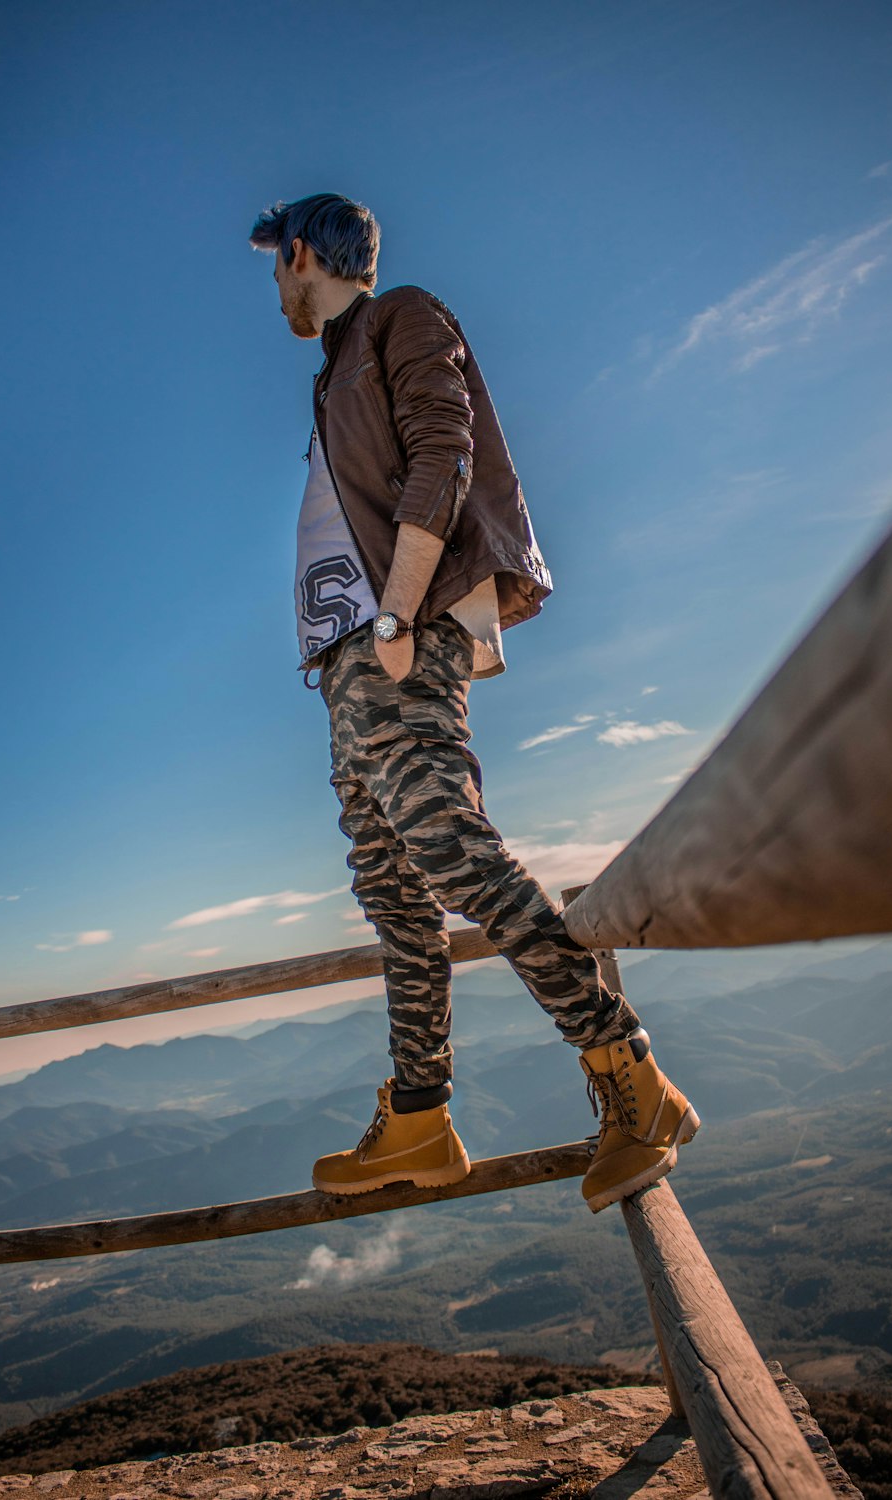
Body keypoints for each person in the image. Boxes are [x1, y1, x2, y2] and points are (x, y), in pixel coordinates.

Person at [249, 193, 698, 1213]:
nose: (275, 282)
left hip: (394, 637)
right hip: (348, 663)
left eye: (279, 263)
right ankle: (420, 1119)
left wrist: (402, 618)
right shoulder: (333, 375)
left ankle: (631, 1078)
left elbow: (443, 454)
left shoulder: (401, 317)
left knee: (452, 850)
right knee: (394, 890)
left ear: (310, 255)